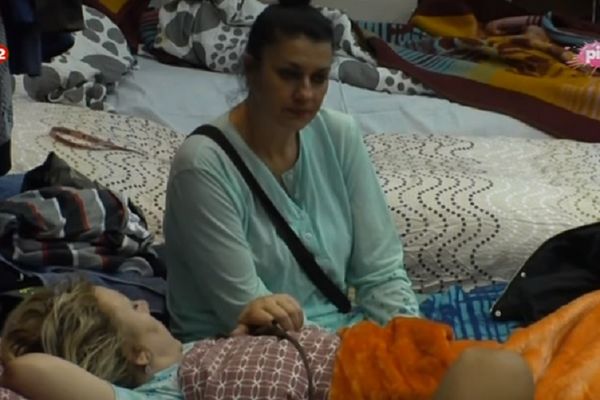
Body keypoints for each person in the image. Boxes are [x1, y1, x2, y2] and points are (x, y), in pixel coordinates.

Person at [164, 0, 419, 342]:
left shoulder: (339, 135)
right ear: (251, 69)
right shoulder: (202, 166)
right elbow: (250, 313)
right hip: (239, 350)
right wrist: (359, 356)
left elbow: (381, 272)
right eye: (289, 74)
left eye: (319, 78)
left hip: (339, 334)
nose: (305, 94)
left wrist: (409, 341)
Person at [0, 280, 535, 400]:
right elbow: (39, 375)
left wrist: (256, 325)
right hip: (355, 387)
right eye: (131, 307)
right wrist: (13, 363)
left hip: (379, 360)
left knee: (501, 365)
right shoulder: (163, 392)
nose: (145, 304)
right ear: (135, 354)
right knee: (497, 370)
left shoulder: (205, 348)